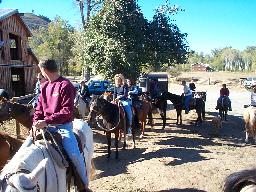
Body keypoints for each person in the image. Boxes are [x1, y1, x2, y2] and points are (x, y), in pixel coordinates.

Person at [32, 59, 91, 192]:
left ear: (44, 70)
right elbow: (39, 109)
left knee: (74, 154)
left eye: (40, 71)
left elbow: (66, 112)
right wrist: (36, 122)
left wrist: (46, 121)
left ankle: (84, 185)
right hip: (44, 127)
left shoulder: (65, 85)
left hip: (62, 127)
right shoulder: (44, 87)